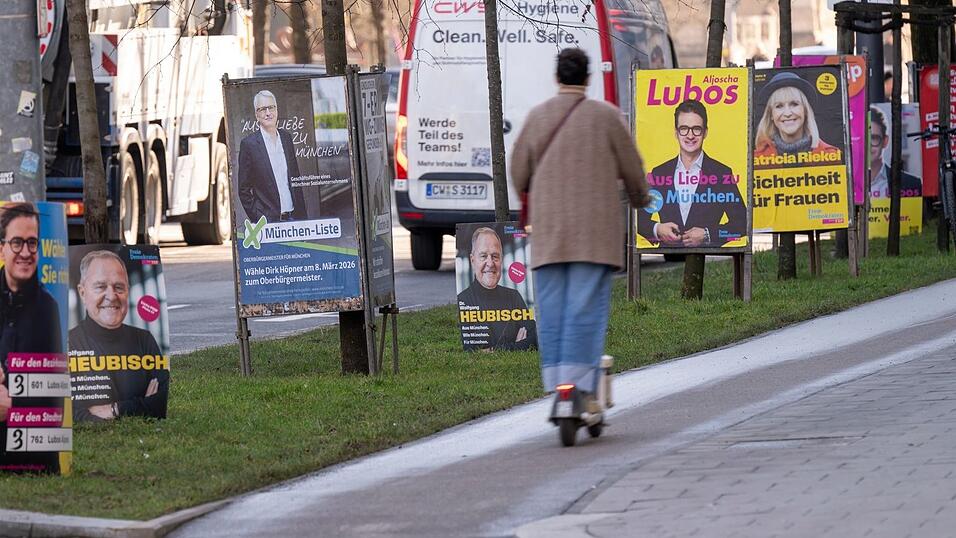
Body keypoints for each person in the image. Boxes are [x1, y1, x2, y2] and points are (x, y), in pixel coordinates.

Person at [511, 48, 650, 397]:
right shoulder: (607, 117)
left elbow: (519, 172)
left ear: (557, 78)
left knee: (553, 310)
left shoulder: (537, 117)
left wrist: (536, 191)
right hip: (595, 236)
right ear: (588, 79)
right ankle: (581, 386)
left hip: (549, 234)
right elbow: (633, 169)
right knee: (585, 309)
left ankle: (557, 384)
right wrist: (639, 199)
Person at [69, 250, 169, 421]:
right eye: (100, 287)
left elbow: (161, 403)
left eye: (119, 287)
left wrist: (116, 408)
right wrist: (142, 405)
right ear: (82, 293)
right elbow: (71, 414)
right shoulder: (67, 343)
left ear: (127, 292)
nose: (111, 296)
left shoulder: (143, 339)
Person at [0, 203, 62, 473]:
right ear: (1, 247)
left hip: (35, 461)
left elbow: (54, 402)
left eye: (32, 243)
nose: (25, 252)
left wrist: (11, 404)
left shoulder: (49, 309)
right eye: (16, 242)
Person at [638, 99, 746, 247]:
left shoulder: (721, 173)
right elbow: (639, 219)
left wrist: (708, 234)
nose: (690, 135)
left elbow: (742, 223)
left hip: (707, 260)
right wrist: (657, 229)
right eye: (684, 128)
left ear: (705, 132)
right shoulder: (659, 173)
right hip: (669, 259)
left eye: (696, 129)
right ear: (676, 132)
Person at [457, 227, 537, 351]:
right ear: (473, 261)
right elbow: (470, 351)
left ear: (501, 259)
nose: (490, 263)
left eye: (495, 256)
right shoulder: (463, 301)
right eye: (483, 256)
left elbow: (535, 339)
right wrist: (518, 346)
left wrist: (494, 350)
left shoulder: (513, 296)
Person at [238, 90, 307, 222]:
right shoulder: (249, 145)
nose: (268, 113)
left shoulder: (286, 138)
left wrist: (303, 218)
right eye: (263, 109)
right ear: (256, 115)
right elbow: (244, 190)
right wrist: (259, 218)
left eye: (271, 107)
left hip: (294, 218)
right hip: (269, 223)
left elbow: (295, 180)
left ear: (277, 110)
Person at [754, 71, 838, 158]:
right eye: (779, 106)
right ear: (771, 114)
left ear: (805, 110)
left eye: (794, 104)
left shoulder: (832, 155)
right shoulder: (757, 159)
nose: (787, 113)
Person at [869, 106, 921, 198]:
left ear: (885, 141)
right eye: (865, 138)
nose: (869, 145)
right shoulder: (846, 183)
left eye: (874, 138)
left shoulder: (911, 183)